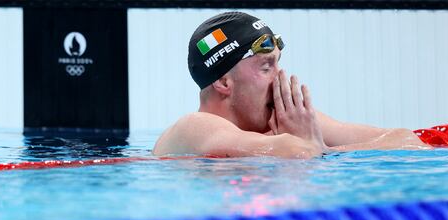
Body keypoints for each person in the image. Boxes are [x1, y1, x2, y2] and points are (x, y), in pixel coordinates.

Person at [153, 12, 429, 158]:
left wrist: (312, 145)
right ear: (224, 82)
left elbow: (406, 141)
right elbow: (298, 152)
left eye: (278, 63)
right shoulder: (194, 128)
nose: (280, 77)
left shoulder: (286, 121)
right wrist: (311, 145)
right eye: (266, 67)